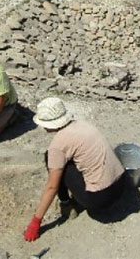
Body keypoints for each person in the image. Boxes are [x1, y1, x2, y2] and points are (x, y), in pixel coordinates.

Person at [24, 97, 125, 242]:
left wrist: (36, 222)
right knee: (66, 159)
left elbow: (52, 187)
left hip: (100, 199)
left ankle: (66, 205)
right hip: (121, 184)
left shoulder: (57, 145)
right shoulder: (83, 124)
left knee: (52, 160)